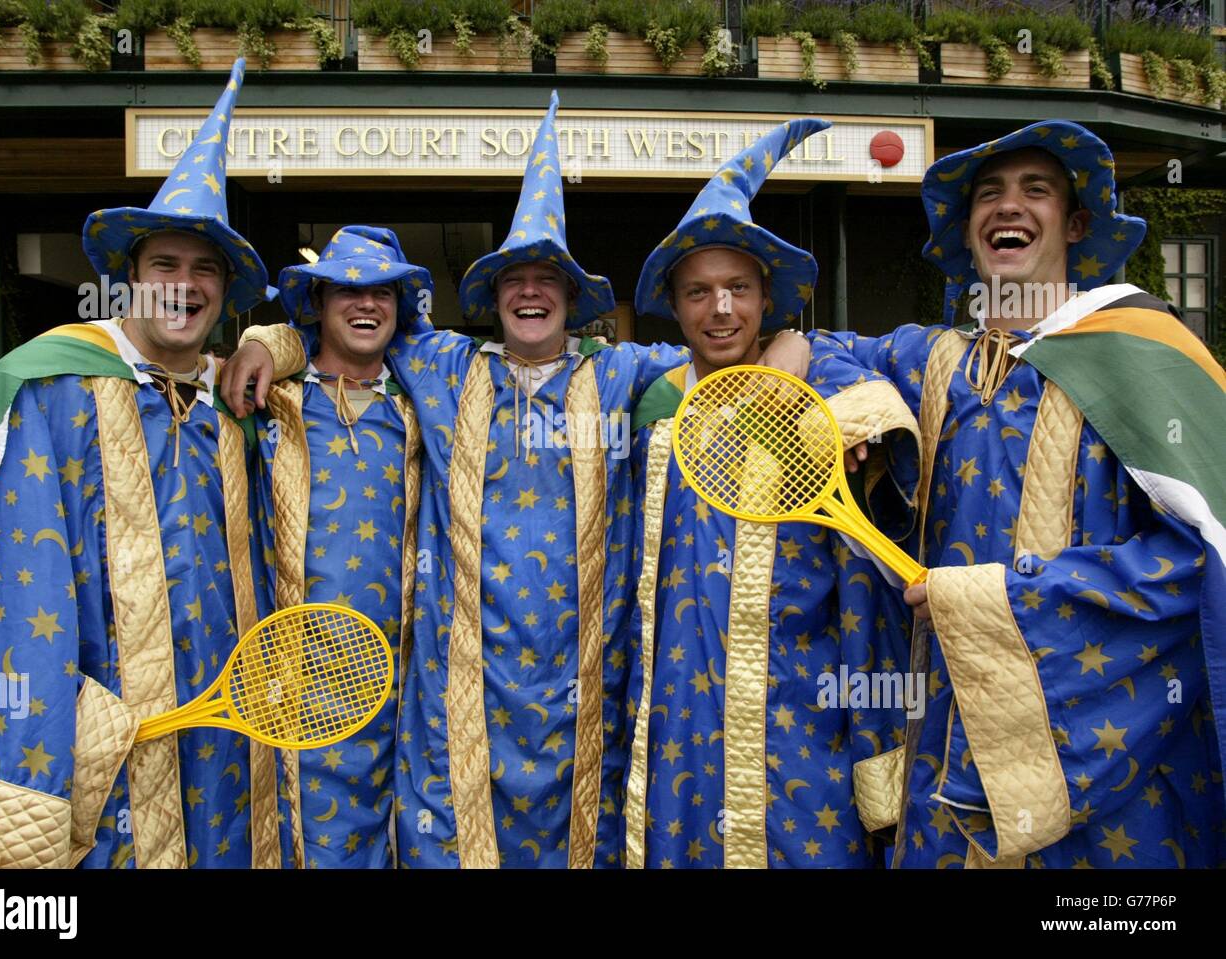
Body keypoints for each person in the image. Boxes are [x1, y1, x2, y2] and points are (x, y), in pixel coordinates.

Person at [221, 91, 810, 868]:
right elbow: (343, 329)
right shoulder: (441, 366)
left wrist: (793, 351)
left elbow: (726, 350)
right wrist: (267, 339)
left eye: (548, 279)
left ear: (572, 299)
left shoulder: (629, 373)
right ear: (493, 298)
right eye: (514, 279)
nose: (530, 291)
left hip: (578, 697)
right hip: (457, 701)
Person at [807, 120, 1226, 868]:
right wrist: (860, 417)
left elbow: (1200, 560)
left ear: (1078, 222)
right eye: (988, 195)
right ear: (967, 233)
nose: (1010, 206)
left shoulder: (1148, 354)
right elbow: (818, 350)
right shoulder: (928, 360)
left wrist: (997, 598)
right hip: (948, 749)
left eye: (1037, 189)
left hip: (1114, 764)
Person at [0, 60, 282, 868]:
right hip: (100, 752)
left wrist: (274, 343)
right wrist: (27, 767)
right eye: (165, 266)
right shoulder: (50, 387)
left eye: (205, 272)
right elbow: (14, 590)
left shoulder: (232, 402)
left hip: (224, 752)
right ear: (128, 277)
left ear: (225, 295)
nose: (183, 287)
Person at [623, 118, 917, 868]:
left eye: (737, 289)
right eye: (699, 292)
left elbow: (878, 415)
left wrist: (807, 367)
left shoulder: (824, 375)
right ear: (676, 306)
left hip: (799, 712)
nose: (720, 309)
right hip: (683, 721)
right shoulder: (656, 403)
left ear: (765, 299)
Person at [253, 226, 428, 867]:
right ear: (318, 306)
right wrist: (267, 342)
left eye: (382, 291)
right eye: (348, 291)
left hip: (401, 674)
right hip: (290, 675)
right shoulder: (266, 400)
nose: (366, 304)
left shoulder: (426, 402)